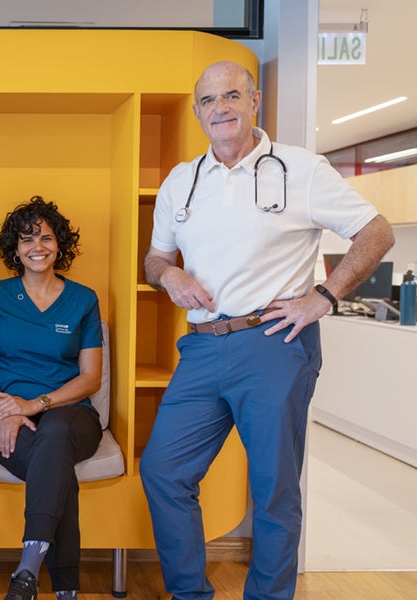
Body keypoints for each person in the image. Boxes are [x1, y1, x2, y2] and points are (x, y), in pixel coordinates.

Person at [140, 61, 395, 600]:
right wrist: (171, 273)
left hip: (274, 343)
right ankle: (190, 595)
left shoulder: (299, 169)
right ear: (197, 111)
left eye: (232, 96)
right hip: (204, 346)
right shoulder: (180, 181)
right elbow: (155, 258)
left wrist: (322, 297)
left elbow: (376, 232)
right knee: (163, 471)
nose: (221, 109)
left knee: (274, 490)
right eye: (209, 100)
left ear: (255, 102)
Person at [0, 196, 103, 600]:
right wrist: (6, 408)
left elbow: (91, 378)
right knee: (55, 463)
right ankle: (65, 591)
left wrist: (34, 405)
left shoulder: (83, 299)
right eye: (26, 239)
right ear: (14, 249)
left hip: (70, 412)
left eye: (45, 237)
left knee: (57, 433)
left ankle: (27, 570)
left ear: (60, 244)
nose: (37, 246)